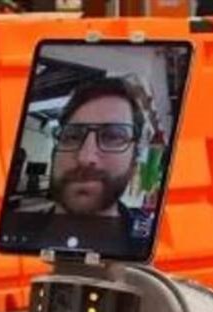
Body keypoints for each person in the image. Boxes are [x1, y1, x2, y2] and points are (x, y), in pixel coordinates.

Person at [15, 76, 156, 258]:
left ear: (134, 161)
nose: (85, 158)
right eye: (72, 136)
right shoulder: (14, 234)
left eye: (112, 136)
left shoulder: (153, 249)